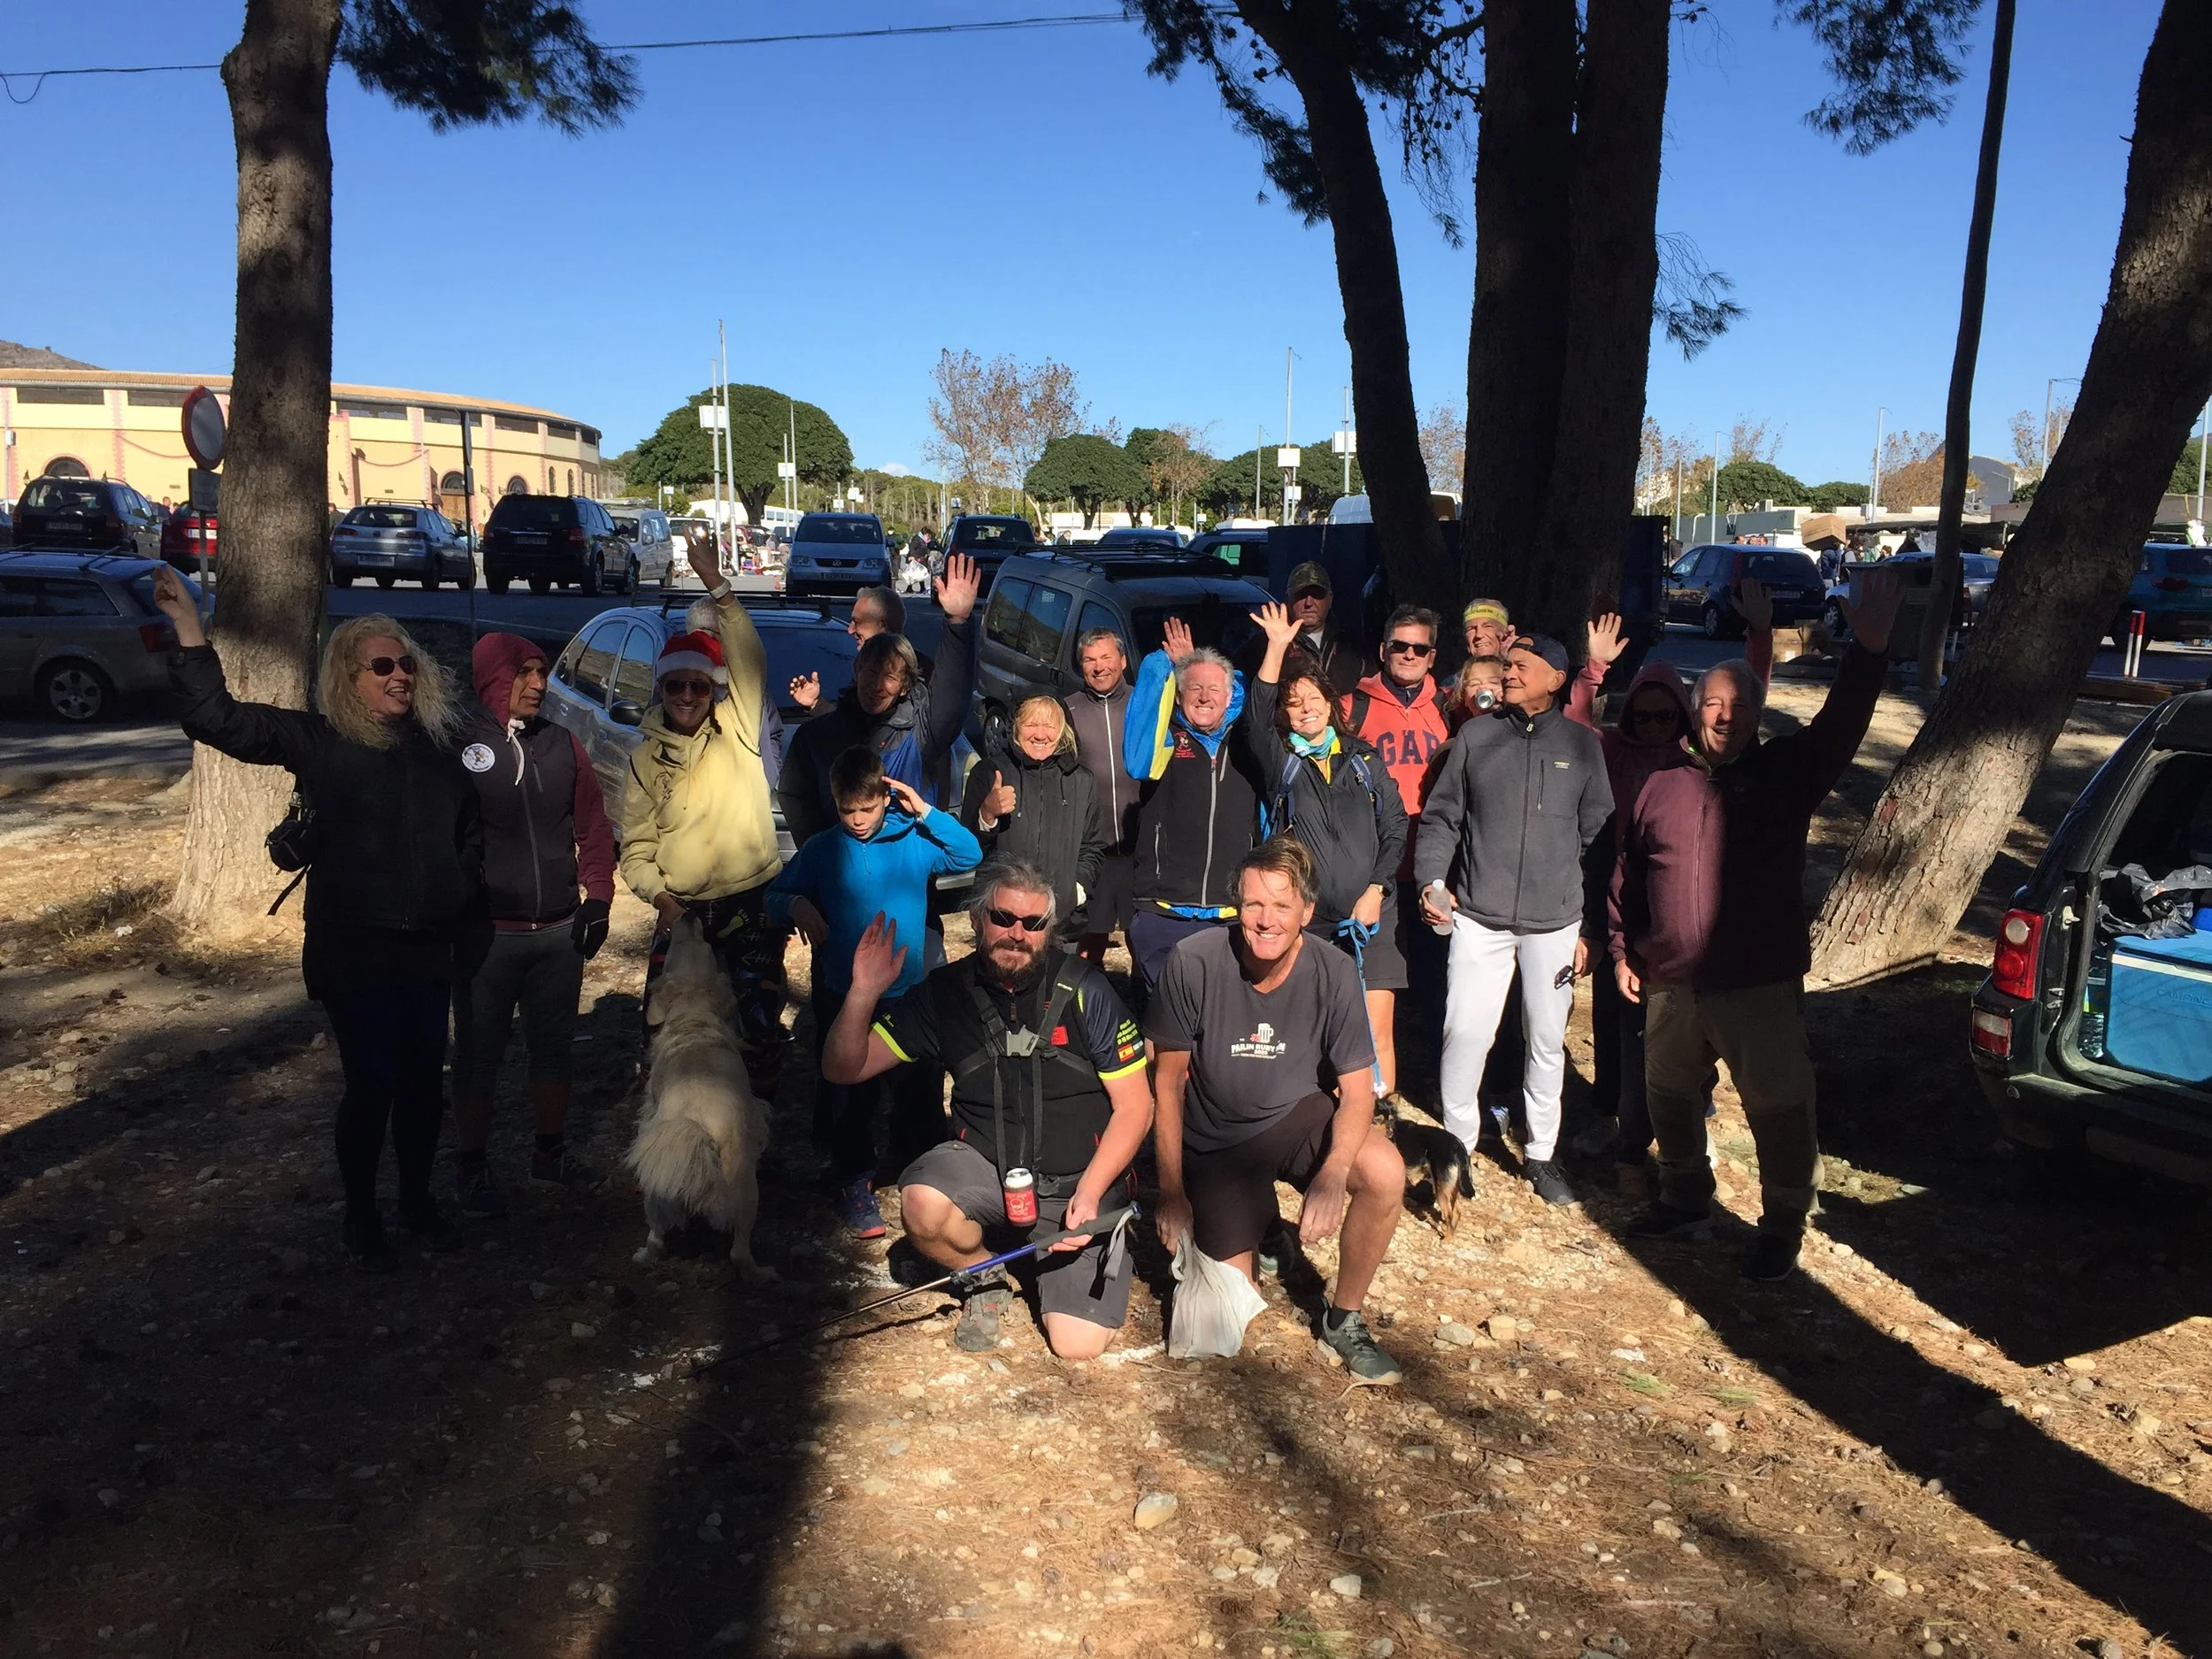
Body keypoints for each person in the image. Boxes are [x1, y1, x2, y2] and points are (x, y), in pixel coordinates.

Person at [151, 565, 482, 1270]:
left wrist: (464, 893)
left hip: (427, 948)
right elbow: (215, 718)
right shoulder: (318, 740)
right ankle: (362, 1216)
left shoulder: (439, 746)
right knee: (372, 1084)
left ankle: (418, 1202)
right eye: (383, 666)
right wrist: (187, 627)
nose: (400, 676)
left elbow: (469, 832)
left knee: (424, 1085)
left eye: (407, 664)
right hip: (355, 951)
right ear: (349, 678)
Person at [1611, 568, 1905, 1281]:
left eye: (1740, 703)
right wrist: (1623, 948)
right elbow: (1630, 874)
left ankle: (1782, 1225)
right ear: (1695, 711)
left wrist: (1868, 653)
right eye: (1713, 702)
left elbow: (1841, 724)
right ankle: (1684, 1196)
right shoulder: (1662, 785)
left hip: (1758, 983)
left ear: (1757, 710)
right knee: (1668, 1097)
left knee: (1779, 1107)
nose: (1725, 715)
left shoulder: (1786, 773)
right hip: (1672, 982)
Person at [820, 864, 1153, 1357]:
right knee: (922, 1203)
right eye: (1003, 917)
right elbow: (844, 1068)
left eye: (1033, 924)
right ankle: (984, 1273)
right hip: (989, 1170)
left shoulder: (1088, 990)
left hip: (1078, 1183)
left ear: (1048, 931)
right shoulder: (944, 994)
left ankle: (1064, 1254)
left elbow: (1136, 1107)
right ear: (977, 919)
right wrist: (863, 992)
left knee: (1076, 1346)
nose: (1017, 933)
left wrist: (1091, 1192)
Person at [1148, 838, 1407, 1385]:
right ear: (1236, 907)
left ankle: (1344, 1317)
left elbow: (1358, 1091)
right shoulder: (1193, 961)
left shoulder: (1335, 970)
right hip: (1217, 1142)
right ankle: (1264, 1227)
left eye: (1282, 905)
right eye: (1254, 904)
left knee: (1384, 1171)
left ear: (1307, 912)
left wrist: (1333, 1174)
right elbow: (1167, 1085)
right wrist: (1171, 1193)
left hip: (1297, 1116)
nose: (1266, 920)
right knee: (1212, 1332)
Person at [1417, 634, 1613, 1206]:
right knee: (1464, 1033)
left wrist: (1592, 927)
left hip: (1556, 922)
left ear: (1556, 679)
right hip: (1479, 917)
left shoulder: (1582, 745)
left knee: (1546, 1040)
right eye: (1507, 665)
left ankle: (1542, 1155)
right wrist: (1433, 880)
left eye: (1523, 667)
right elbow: (1442, 818)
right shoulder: (1477, 738)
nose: (1509, 674)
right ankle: (1457, 1146)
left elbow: (1599, 840)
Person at [768, 749, 982, 1237]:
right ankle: (853, 1178)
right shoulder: (824, 849)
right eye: (848, 811)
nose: (859, 821)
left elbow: (968, 854)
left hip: (907, 992)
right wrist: (797, 904)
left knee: (919, 1088)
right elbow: (774, 895)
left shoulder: (914, 840)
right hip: (845, 992)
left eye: (867, 809)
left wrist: (924, 810)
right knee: (850, 1094)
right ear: (835, 803)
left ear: (887, 798)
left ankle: (927, 1168)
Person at [449, 633, 618, 1216]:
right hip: (487, 938)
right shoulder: (457, 745)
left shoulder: (563, 744)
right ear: (494, 676)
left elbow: (593, 827)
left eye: (542, 672)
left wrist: (598, 898)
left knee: (553, 1051)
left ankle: (550, 1154)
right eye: (524, 672)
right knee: (478, 1056)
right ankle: (471, 1166)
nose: (539, 684)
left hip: (558, 934)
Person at [620, 534, 787, 1086]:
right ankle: (673, 1132)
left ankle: (752, 1132)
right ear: (663, 688)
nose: (687, 696)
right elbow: (636, 851)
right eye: (676, 686)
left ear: (711, 688)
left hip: (752, 903)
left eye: (697, 685)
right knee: (666, 1037)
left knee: (757, 1034)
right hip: (682, 911)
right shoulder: (645, 759)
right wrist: (662, 900)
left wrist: (718, 586)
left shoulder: (736, 726)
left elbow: (751, 658)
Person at [1240, 602, 1408, 1092]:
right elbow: (1254, 718)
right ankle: (1322, 1115)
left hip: (1371, 918)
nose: (1306, 707)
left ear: (1332, 703)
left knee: (1376, 1030)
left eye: (1314, 697)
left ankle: (1377, 1120)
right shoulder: (1283, 763)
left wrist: (1376, 890)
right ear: (1286, 714)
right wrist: (1276, 648)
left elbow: (1395, 827)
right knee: (1316, 1029)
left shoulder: (1364, 761)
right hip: (1309, 921)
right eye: (1295, 703)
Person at [780, 554, 980, 846]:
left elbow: (951, 696)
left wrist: (958, 623)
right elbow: (794, 795)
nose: (876, 685)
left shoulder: (920, 734)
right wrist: (822, 849)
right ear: (857, 672)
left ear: (905, 686)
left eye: (889, 677)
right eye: (870, 673)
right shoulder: (816, 735)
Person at [1120, 617, 1264, 998]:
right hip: (1164, 909)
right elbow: (1137, 761)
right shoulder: (1165, 738)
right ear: (1179, 694)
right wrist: (1165, 667)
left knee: (1221, 1018)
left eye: (1214, 689)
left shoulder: (1247, 745)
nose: (1204, 696)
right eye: (1194, 688)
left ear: (1231, 696)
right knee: (1166, 1018)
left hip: (1230, 913)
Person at [1341, 603, 1455, 1048]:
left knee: (1435, 968)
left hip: (1432, 857)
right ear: (1383, 649)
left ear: (1432, 656)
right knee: (1373, 969)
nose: (1409, 654)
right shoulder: (1354, 705)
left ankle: (1433, 1059)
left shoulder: (1448, 707)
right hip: (1375, 859)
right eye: (1400, 646)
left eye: (1419, 648)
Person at [961, 695, 1108, 943]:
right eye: (1031, 725)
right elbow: (966, 849)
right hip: (1002, 920)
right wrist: (987, 815)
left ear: (1062, 730)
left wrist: (1076, 890)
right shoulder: (989, 773)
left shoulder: (1082, 780)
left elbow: (1093, 846)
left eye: (1049, 726)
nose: (1040, 735)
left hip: (1061, 920)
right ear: (1015, 727)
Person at [1062, 625, 1142, 964]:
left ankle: (1142, 992)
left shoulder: (1143, 703)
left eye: (1106, 657)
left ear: (1123, 660)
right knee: (1090, 934)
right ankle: (1085, 991)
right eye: (1090, 660)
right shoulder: (1068, 710)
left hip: (1141, 846)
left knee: (1142, 933)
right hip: (1093, 848)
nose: (1099, 667)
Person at [787, 583, 931, 709]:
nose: (850, 630)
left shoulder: (922, 676)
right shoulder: (857, 662)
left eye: (857, 622)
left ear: (883, 625)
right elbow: (851, 724)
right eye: (870, 673)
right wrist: (816, 704)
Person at [1463, 597, 1514, 662]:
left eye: (1487, 626)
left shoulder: (1520, 667)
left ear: (1505, 631)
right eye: (1471, 629)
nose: (1479, 635)